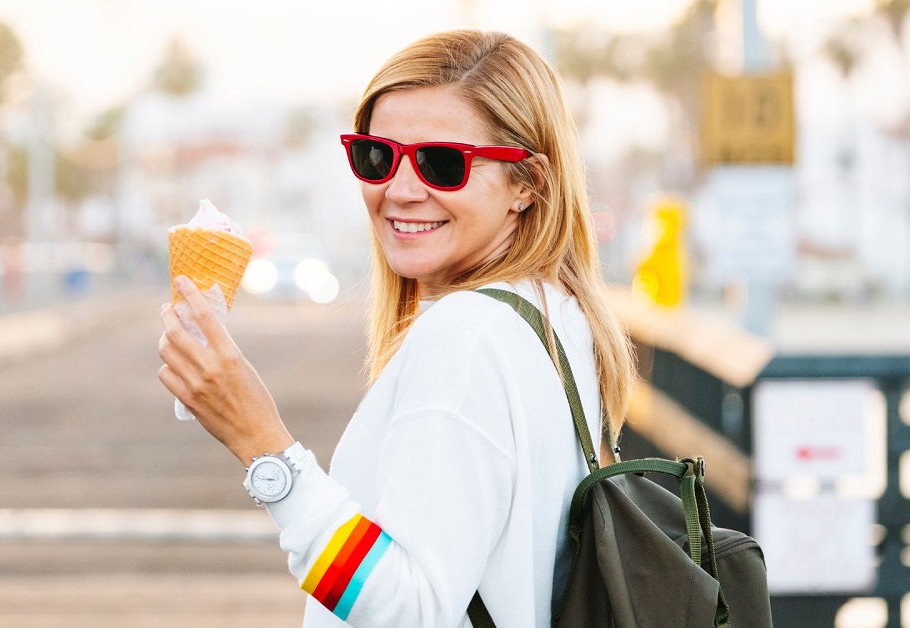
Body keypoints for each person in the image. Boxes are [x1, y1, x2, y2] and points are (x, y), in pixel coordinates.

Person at [158, 30, 633, 627]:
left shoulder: (468, 336)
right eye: (378, 156)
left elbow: (410, 610)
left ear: (527, 183)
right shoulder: (555, 315)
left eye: (443, 163)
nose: (401, 190)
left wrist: (263, 446)